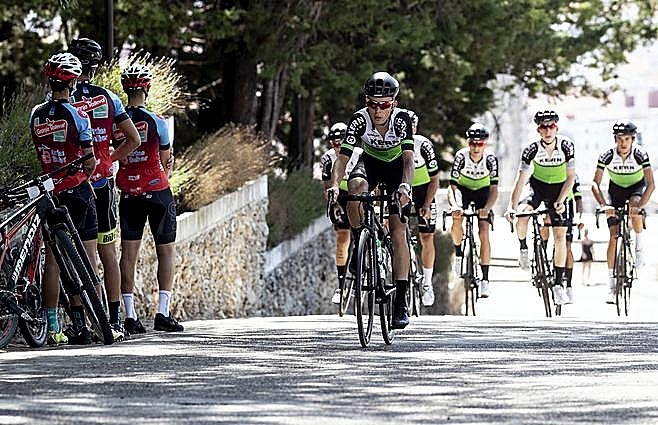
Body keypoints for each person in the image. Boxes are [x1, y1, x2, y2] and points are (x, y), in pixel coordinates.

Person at [327, 71, 414, 329]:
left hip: (398, 167)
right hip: (371, 163)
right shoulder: (358, 120)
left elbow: (409, 159)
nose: (378, 111)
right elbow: (343, 157)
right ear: (367, 103)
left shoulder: (402, 120)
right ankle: (359, 238)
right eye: (373, 104)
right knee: (355, 187)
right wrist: (334, 186)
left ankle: (400, 300)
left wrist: (405, 186)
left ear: (393, 104)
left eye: (384, 105)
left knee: (398, 232)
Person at [68, 38, 141, 339]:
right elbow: (133, 139)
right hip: (101, 181)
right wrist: (108, 159)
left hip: (72, 183)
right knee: (106, 252)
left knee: (72, 253)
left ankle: (80, 323)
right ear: (95, 67)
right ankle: (113, 319)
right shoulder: (109, 97)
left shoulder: (63, 101)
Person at [29, 52, 96, 345]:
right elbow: (90, 160)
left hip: (50, 190)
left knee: (54, 259)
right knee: (85, 253)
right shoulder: (78, 114)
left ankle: (53, 325)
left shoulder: (35, 113)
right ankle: (85, 323)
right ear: (73, 82)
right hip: (77, 188)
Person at [114, 63, 183, 333]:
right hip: (157, 191)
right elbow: (165, 159)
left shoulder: (116, 123)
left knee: (128, 254)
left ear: (125, 89)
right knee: (165, 252)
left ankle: (129, 316)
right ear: (147, 89)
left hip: (129, 192)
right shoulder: (157, 121)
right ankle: (162, 312)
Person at [505, 109, 575, 306]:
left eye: (551, 126)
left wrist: (561, 200)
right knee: (523, 216)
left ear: (557, 127)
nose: (548, 130)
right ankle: (524, 249)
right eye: (543, 127)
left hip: (560, 191)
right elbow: (520, 181)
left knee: (560, 238)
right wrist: (511, 206)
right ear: (538, 130)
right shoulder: (531, 149)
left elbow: (571, 178)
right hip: (537, 188)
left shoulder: (566, 146)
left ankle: (559, 284)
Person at [591, 119, 654, 304]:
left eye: (627, 139)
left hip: (636, 187)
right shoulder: (607, 155)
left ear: (633, 140)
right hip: (615, 191)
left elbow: (651, 184)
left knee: (634, 207)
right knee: (613, 236)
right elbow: (595, 183)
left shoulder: (641, 154)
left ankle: (639, 246)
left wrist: (641, 206)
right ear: (615, 139)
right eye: (620, 139)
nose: (623, 143)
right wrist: (604, 205)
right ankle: (611, 286)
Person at [448, 123, 498, 298]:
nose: (476, 148)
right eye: (472, 143)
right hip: (463, 190)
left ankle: (485, 279)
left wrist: (487, 208)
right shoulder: (461, 156)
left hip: (483, 193)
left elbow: (494, 189)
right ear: (468, 142)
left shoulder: (490, 159)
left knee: (484, 232)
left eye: (480, 144)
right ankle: (459, 252)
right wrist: (455, 206)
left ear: (485, 144)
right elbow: (452, 187)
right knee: (456, 218)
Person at [320, 122, 362, 304]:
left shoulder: (360, 154)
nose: (337, 147)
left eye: (340, 143)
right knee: (342, 237)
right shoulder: (328, 159)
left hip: (360, 193)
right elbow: (327, 187)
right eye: (333, 143)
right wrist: (334, 205)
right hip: (340, 197)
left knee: (361, 230)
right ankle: (341, 285)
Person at [405, 109, 439, 306]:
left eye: (412, 128)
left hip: (424, 191)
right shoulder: (394, 144)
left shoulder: (423, 145)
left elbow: (435, 180)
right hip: (403, 189)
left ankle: (427, 282)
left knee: (426, 236)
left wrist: (426, 204)